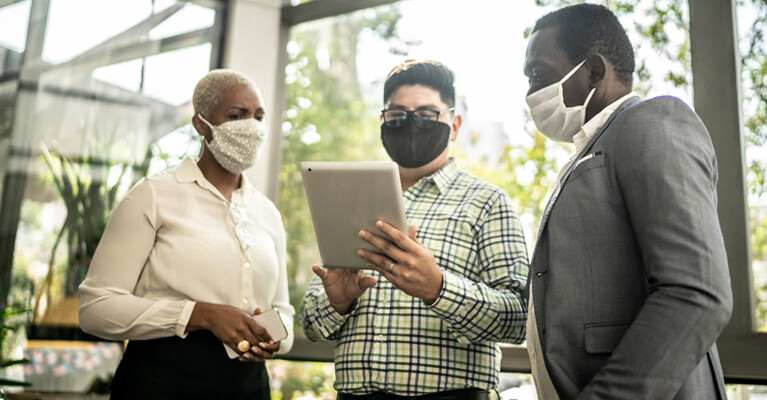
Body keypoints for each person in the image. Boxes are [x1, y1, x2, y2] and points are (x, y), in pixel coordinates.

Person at [522, 4, 733, 399]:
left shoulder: (653, 122)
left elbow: (697, 293)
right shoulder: (591, 149)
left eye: (539, 76)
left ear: (594, 71)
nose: (532, 93)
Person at [300, 59, 529, 399]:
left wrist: (439, 288)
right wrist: (336, 302)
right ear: (383, 122)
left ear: (453, 124)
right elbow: (311, 325)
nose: (411, 124)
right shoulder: (349, 197)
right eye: (397, 116)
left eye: (426, 115)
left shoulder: (487, 202)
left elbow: (519, 319)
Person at [78, 69, 294, 400]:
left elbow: (283, 311)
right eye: (236, 115)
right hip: (162, 382)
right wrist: (199, 314)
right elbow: (96, 308)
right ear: (201, 124)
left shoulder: (268, 213)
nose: (251, 126)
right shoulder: (153, 194)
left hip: (250, 387)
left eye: (258, 116)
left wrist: (276, 337)